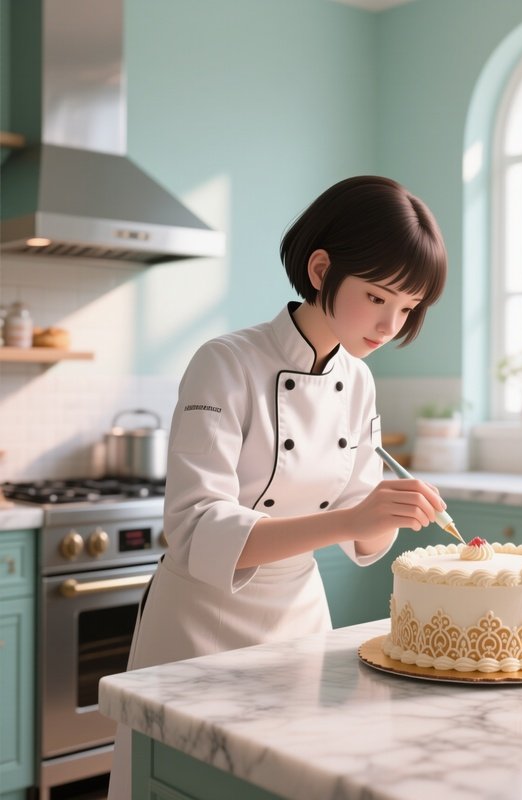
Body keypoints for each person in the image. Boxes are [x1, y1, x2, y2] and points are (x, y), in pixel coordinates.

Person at [106, 175, 449, 799]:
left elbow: (356, 518)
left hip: (300, 625)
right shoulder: (225, 362)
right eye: (377, 297)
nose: (389, 324)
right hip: (198, 629)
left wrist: (390, 512)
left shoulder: (361, 381)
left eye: (407, 309)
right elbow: (195, 528)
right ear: (321, 269)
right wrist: (352, 519)